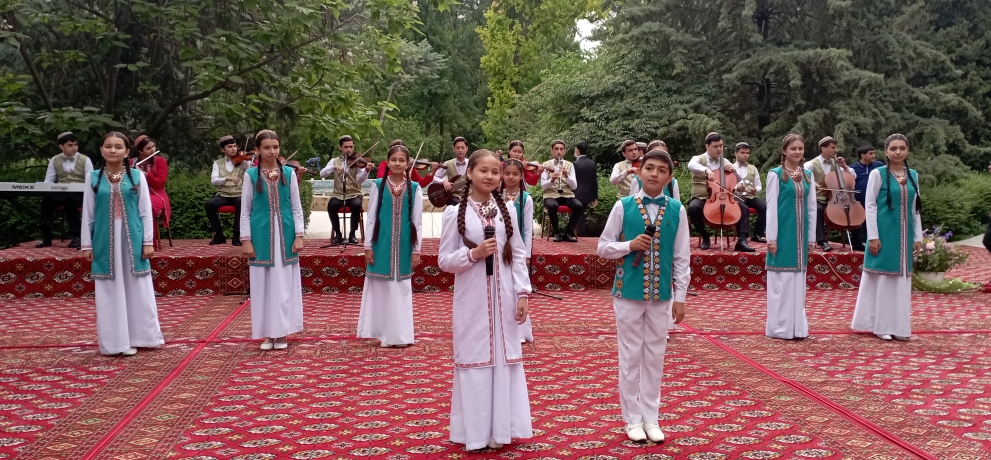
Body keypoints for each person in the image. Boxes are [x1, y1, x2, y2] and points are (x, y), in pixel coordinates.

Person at [438, 149, 532, 451]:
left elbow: (517, 253)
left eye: (496, 171)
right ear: (470, 173)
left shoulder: (508, 209)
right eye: (484, 171)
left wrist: (522, 293)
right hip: (472, 299)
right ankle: (476, 434)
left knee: (504, 360)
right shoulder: (455, 212)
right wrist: (473, 254)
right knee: (476, 360)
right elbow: (444, 260)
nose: (490, 176)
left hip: (504, 296)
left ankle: (501, 432)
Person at [597, 149, 689, 444]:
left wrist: (681, 295)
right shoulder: (623, 206)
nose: (654, 174)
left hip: (662, 294)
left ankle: (652, 417)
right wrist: (628, 245)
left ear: (669, 177)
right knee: (630, 355)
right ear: (638, 171)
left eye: (661, 170)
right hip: (628, 292)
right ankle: (632, 419)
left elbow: (681, 256)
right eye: (649, 168)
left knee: (655, 356)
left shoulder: (678, 210)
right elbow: (603, 247)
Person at [80, 132, 163, 356]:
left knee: (138, 286)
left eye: (118, 147)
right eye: (108, 146)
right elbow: (88, 214)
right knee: (110, 289)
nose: (113, 150)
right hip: (104, 240)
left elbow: (146, 212)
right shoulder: (93, 178)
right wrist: (86, 245)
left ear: (127, 152)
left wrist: (148, 242)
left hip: (133, 239)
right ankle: (115, 342)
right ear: (101, 150)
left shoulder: (137, 177)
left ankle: (142, 337)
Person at [851, 134, 923, 341]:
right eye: (894, 149)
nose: (898, 152)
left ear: (907, 150)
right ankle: (881, 324)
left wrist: (917, 236)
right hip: (884, 233)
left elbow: (915, 208)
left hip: (904, 235)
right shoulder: (878, 174)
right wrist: (873, 235)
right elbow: (870, 204)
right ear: (886, 151)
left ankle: (899, 326)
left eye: (902, 148)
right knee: (883, 279)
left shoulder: (913, 175)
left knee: (901, 280)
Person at [240, 129, 305, 350]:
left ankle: (282, 331)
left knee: (284, 284)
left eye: (275, 147)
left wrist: (299, 236)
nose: (272, 151)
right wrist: (246, 239)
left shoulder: (289, 174)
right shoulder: (250, 175)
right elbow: (246, 209)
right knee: (263, 285)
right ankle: (268, 333)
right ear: (257, 150)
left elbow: (296, 207)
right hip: (260, 236)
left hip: (285, 236)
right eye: (267, 147)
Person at [358, 142, 423, 348]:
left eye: (401, 160)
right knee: (382, 288)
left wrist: (416, 250)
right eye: (393, 159)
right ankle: (384, 333)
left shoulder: (414, 188)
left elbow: (417, 220)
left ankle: (401, 335)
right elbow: (370, 218)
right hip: (381, 242)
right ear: (387, 162)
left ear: (408, 163)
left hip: (404, 244)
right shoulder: (378, 185)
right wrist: (368, 246)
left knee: (401, 288)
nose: (397, 163)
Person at [765, 134, 817, 340]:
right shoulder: (775, 174)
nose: (797, 152)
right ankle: (779, 327)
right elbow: (771, 208)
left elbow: (812, 208)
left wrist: (812, 238)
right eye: (793, 148)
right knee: (782, 282)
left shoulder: (807, 175)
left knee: (797, 282)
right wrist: (772, 238)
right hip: (782, 235)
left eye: (800, 148)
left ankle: (797, 327)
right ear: (784, 151)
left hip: (801, 237)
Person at [686, 132, 754, 252]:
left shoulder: (725, 161)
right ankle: (705, 236)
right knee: (693, 208)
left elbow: (736, 181)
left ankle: (742, 240)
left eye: (721, 146)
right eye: (715, 146)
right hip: (701, 197)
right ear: (707, 146)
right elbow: (691, 165)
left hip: (723, 196)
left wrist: (734, 171)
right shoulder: (698, 159)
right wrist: (706, 170)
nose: (719, 149)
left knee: (743, 207)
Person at [38, 131, 93, 249]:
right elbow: (49, 181)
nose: (74, 148)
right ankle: (46, 237)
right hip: (61, 193)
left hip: (81, 195)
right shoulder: (54, 160)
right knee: (47, 200)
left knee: (70, 200)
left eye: (75, 145)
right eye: (70, 145)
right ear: (61, 146)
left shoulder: (85, 160)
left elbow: (90, 182)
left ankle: (76, 237)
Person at [502, 159, 535, 343]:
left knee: (517, 285)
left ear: (521, 176)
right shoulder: (497, 194)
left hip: (518, 247)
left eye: (515, 174)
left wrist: (527, 253)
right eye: (507, 173)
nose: (511, 177)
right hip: (500, 247)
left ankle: (521, 331)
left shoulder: (525, 198)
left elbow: (528, 228)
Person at [320, 135, 374, 245]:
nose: (349, 150)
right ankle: (338, 234)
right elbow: (322, 174)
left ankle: (352, 234)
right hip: (338, 194)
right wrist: (334, 167)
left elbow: (359, 181)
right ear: (340, 147)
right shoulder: (334, 161)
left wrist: (366, 171)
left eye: (351, 147)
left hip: (354, 193)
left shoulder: (358, 161)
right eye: (346, 147)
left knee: (356, 205)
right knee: (331, 205)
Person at [805, 136, 853, 252]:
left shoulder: (835, 163)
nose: (836, 150)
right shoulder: (811, 164)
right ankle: (821, 241)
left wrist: (844, 166)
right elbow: (802, 174)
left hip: (833, 198)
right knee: (818, 209)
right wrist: (812, 183)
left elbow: (852, 176)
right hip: (817, 198)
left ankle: (857, 240)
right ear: (823, 149)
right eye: (833, 147)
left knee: (850, 209)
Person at [205, 135, 246, 246]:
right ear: (223, 149)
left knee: (241, 202)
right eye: (229, 146)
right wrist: (226, 178)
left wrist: (248, 161)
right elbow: (214, 181)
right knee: (209, 204)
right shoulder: (217, 163)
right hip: (224, 194)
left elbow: (251, 172)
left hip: (239, 193)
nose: (233, 149)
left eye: (235, 146)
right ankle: (219, 235)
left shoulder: (243, 161)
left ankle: (236, 236)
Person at [541, 140, 584, 242]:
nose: (558, 152)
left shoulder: (570, 165)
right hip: (551, 195)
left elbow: (574, 186)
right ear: (552, 151)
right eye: (556, 149)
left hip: (567, 195)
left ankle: (568, 233)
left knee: (579, 205)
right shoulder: (546, 165)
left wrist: (566, 175)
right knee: (552, 205)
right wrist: (552, 179)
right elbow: (543, 185)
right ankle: (556, 233)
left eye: (561, 149)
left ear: (564, 151)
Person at [130, 135, 171, 233]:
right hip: (136, 194)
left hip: (156, 194)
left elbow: (160, 184)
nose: (153, 150)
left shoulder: (160, 161)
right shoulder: (131, 162)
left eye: (153, 146)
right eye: (148, 148)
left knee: (148, 205)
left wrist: (145, 175)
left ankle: (149, 241)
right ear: (141, 151)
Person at [850, 145, 883, 252]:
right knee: (859, 221)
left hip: (876, 200)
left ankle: (875, 242)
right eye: (870, 153)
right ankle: (859, 243)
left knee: (875, 220)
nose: (874, 155)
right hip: (858, 200)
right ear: (862, 155)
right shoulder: (853, 167)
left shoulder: (879, 166)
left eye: (874, 153)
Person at [733, 142, 767, 243]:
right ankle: (743, 236)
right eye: (742, 152)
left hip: (750, 197)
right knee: (743, 208)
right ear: (736, 153)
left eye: (747, 153)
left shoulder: (753, 168)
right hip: (736, 197)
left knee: (765, 206)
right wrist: (736, 188)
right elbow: (727, 185)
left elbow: (759, 185)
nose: (745, 155)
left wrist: (755, 189)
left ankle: (757, 234)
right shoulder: (730, 168)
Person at [431, 136, 471, 206]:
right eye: (458, 148)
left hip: (469, 197)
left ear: (466, 149)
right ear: (454, 149)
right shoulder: (447, 164)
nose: (460, 150)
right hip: (453, 198)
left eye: (462, 147)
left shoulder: (473, 164)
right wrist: (443, 182)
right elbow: (433, 177)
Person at [572, 141, 598, 237]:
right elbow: (594, 180)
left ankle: (582, 236)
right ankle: (577, 234)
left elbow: (572, 181)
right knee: (581, 215)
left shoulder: (575, 164)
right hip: (588, 195)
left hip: (576, 194)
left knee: (578, 216)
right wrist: (595, 197)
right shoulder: (592, 163)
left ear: (577, 150)